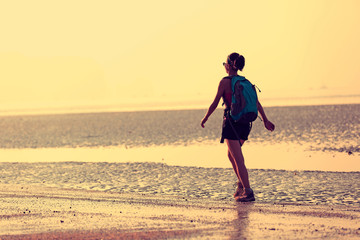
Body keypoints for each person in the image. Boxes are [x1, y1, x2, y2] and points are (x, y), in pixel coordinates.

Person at [201, 52, 275, 202]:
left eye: (224, 65)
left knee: (238, 158)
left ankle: (247, 190)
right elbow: (257, 103)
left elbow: (215, 103)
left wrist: (206, 117)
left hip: (231, 123)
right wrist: (265, 120)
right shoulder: (246, 81)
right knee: (231, 155)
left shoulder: (224, 82)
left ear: (228, 66)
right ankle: (240, 185)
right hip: (246, 124)